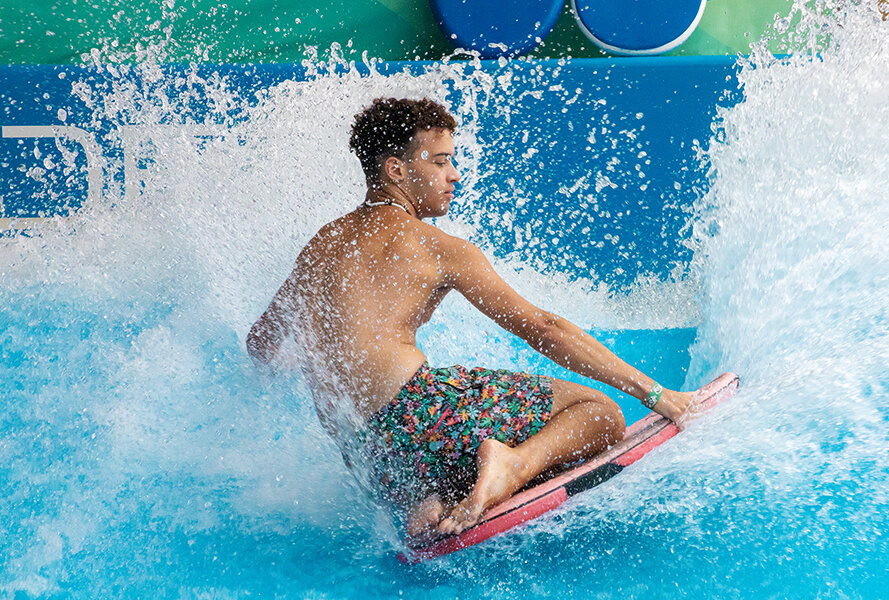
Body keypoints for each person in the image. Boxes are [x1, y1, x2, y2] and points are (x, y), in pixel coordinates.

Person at [246, 97, 699, 538]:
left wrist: (309, 362)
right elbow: (545, 330)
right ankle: (509, 465)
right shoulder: (435, 248)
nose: (454, 175)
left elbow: (260, 343)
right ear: (396, 170)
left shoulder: (320, 246)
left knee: (452, 438)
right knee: (598, 415)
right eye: (441, 162)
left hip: (367, 460)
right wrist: (657, 394)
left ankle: (433, 495)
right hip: (417, 417)